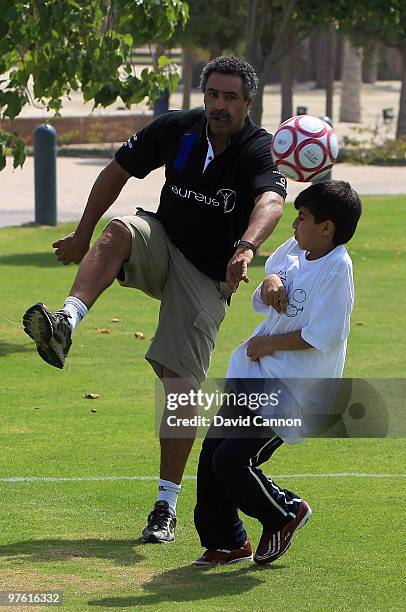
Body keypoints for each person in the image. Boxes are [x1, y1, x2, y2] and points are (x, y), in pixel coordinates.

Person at [22, 55, 287, 544]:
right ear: (202, 96)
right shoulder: (178, 128)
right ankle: (66, 322)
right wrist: (82, 233)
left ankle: (165, 506)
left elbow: (271, 201)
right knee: (119, 229)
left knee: (179, 385)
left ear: (249, 102)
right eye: (212, 95)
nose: (219, 105)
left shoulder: (258, 148)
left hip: (210, 274)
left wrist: (247, 246)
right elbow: (118, 170)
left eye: (230, 97)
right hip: (163, 242)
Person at [193, 180, 362, 565]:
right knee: (213, 453)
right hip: (255, 376)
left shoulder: (337, 269)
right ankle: (227, 541)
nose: (293, 226)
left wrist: (268, 344)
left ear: (327, 227)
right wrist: (269, 280)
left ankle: (285, 513)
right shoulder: (297, 249)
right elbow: (273, 273)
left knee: (232, 461)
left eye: (301, 218)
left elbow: (326, 335)